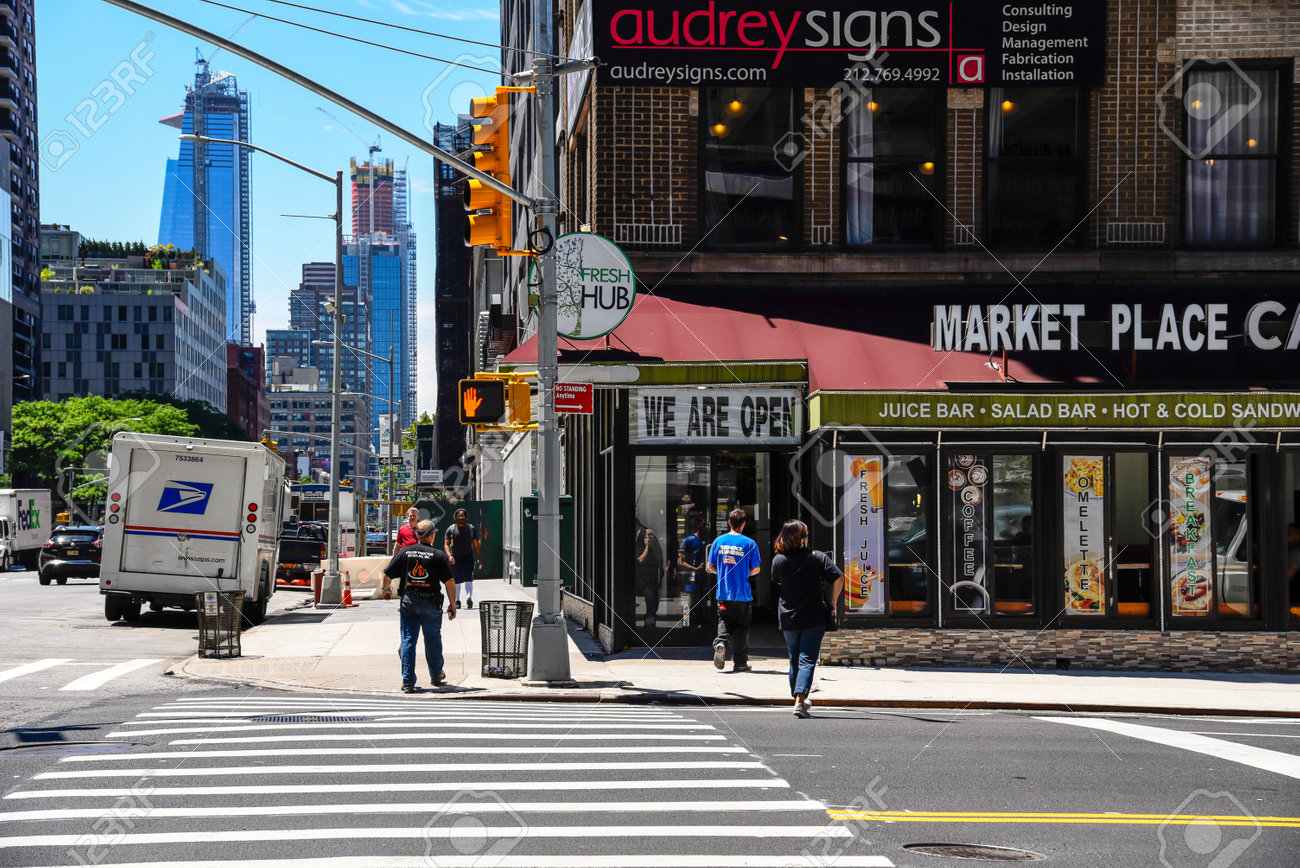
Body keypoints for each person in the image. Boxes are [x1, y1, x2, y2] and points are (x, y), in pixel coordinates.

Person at [771, 519, 843, 718]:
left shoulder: (778, 559)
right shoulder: (816, 557)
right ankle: (800, 701)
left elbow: (775, 580)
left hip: (788, 616)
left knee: (794, 659)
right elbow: (838, 577)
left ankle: (797, 698)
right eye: (806, 534)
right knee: (807, 659)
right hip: (813, 616)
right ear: (800, 537)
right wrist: (833, 601)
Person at [381, 520, 456, 693]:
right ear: (432, 535)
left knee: (408, 640)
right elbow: (450, 582)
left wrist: (386, 590)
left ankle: (408, 681)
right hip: (431, 601)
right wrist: (453, 605)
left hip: (409, 601)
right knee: (433, 640)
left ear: (417, 535)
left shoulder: (405, 552)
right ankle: (436, 674)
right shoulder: (438, 555)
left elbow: (387, 575)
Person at [707, 508, 762, 672]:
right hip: (743, 595)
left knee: (724, 621)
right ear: (743, 524)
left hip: (723, 594)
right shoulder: (750, 544)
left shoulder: (718, 541)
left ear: (729, 523)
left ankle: (721, 643)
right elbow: (757, 569)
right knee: (742, 628)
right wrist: (745, 573)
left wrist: (721, 573)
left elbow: (710, 567)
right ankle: (740, 662)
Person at [444, 508, 483, 609]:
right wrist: (449, 556)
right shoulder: (451, 529)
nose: (461, 517)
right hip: (455, 558)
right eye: (459, 515)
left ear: (466, 517)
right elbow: (446, 545)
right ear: (456, 517)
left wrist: (480, 559)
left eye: (463, 515)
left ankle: (469, 598)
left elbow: (476, 545)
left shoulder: (471, 529)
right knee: (456, 580)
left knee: (468, 578)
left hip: (468, 557)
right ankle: (457, 601)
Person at [635, 523, 663, 628]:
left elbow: (658, 558)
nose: (649, 538)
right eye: (647, 536)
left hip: (652, 578)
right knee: (650, 603)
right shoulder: (639, 547)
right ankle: (649, 626)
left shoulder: (653, 547)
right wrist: (647, 546)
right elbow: (640, 560)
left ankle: (650, 624)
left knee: (653, 604)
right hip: (643, 579)